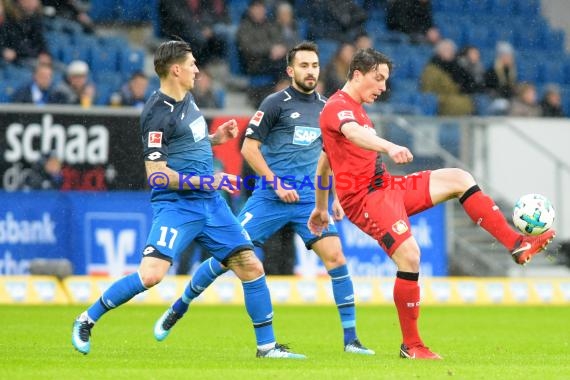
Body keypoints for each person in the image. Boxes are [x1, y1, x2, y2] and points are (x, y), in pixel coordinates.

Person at [309, 48, 556, 360]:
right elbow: (354, 135)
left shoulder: (356, 108)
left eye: (385, 80)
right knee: (410, 256)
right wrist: (389, 146)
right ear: (357, 74)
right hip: (366, 199)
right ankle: (411, 345)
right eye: (378, 78)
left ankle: (517, 243)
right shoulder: (337, 107)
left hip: (387, 187)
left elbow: (324, 161)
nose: (384, 87)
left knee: (458, 177)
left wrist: (322, 205)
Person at [71, 40, 305, 359]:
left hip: (210, 203)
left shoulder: (189, 99)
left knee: (250, 265)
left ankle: (266, 347)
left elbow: (183, 144)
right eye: (192, 63)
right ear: (176, 69)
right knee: (152, 274)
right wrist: (212, 178)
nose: (198, 69)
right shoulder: (156, 113)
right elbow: (156, 173)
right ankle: (87, 319)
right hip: (177, 206)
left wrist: (213, 139)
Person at [153, 41, 374, 355]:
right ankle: (181, 304)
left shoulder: (328, 109)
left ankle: (351, 340)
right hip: (270, 197)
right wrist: (276, 183)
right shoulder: (274, 103)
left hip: (309, 199)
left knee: (337, 258)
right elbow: (248, 148)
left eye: (314, 66)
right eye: (303, 66)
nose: (310, 71)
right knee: (224, 259)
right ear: (290, 70)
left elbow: (329, 156)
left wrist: (332, 197)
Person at [420, 39, 474, 116]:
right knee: (458, 103)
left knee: (468, 100)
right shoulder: (431, 69)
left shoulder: (455, 67)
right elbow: (427, 91)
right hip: (441, 101)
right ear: (439, 52)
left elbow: (467, 82)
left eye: (452, 50)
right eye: (448, 50)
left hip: (454, 98)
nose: (451, 53)